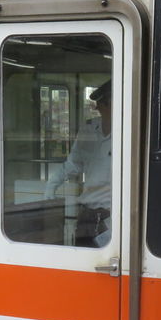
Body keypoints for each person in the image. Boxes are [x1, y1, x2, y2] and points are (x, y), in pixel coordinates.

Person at [46, 82, 112, 246]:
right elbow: (74, 163)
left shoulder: (129, 132)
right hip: (87, 213)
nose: (97, 108)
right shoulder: (89, 129)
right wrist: (52, 185)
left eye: (101, 104)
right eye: (99, 104)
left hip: (114, 216)